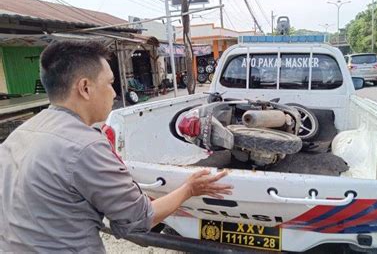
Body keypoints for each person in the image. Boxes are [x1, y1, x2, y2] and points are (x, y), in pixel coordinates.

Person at [0, 41, 233, 253]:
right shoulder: (85, 145)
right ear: (85, 88)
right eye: (110, 83)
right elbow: (138, 219)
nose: (114, 93)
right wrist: (189, 189)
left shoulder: (21, 133)